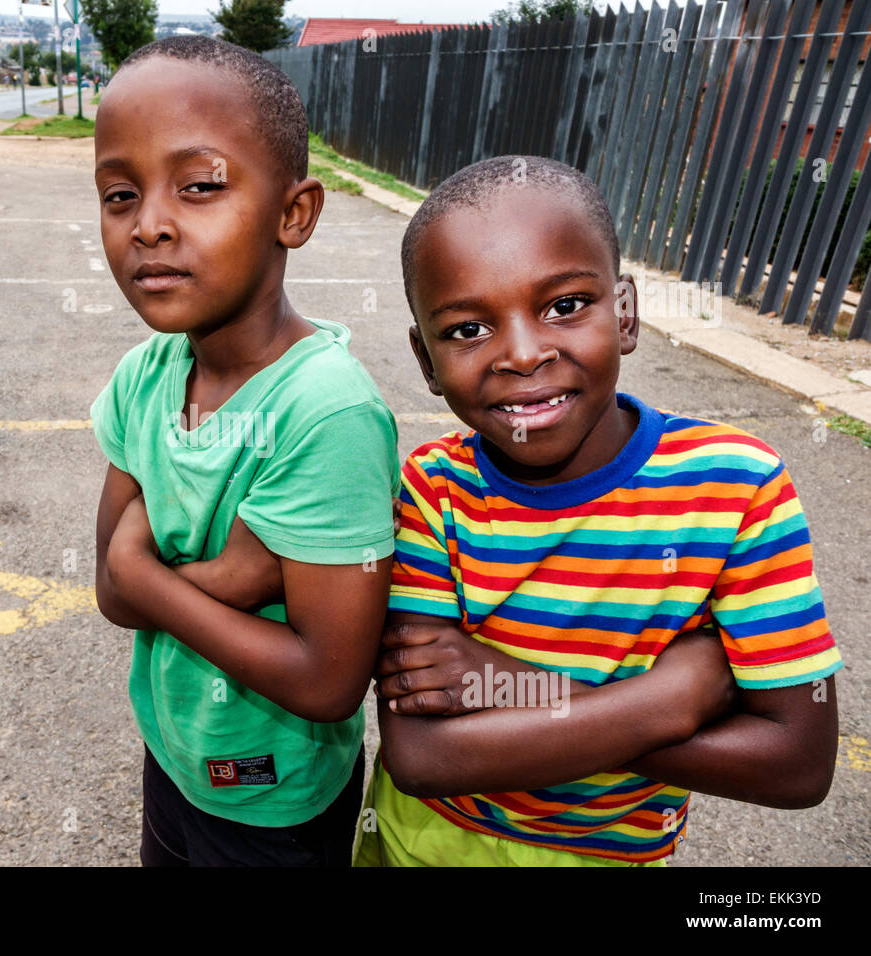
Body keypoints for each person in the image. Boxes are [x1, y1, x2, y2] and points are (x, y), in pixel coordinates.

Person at [355, 156, 843, 867]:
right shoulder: (435, 489)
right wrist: (670, 699)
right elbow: (425, 757)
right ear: (425, 362)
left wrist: (510, 682)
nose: (523, 354)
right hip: (421, 840)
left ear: (625, 314)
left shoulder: (736, 489)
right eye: (466, 329)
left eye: (563, 305)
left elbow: (795, 763)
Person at [92, 36, 399, 868]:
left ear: (293, 213)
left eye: (199, 187)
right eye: (120, 194)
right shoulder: (144, 375)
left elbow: (328, 680)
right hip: (174, 755)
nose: (149, 223)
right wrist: (222, 581)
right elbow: (109, 596)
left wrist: (149, 571)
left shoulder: (325, 412)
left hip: (275, 801)